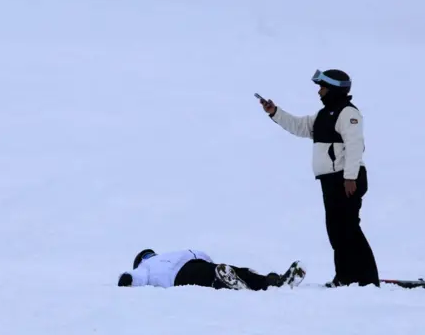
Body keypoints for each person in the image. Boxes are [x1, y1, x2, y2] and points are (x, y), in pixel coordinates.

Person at [258, 69, 379, 287]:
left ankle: (367, 279)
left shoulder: (348, 113)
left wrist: (350, 178)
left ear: (334, 90)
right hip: (331, 180)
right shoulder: (324, 115)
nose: (319, 92)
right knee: (337, 231)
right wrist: (275, 112)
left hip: (346, 179)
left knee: (349, 229)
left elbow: (355, 146)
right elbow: (299, 126)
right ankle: (346, 277)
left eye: (322, 88)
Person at [117, 248, 305, 290]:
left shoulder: (167, 255)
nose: (150, 256)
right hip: (178, 276)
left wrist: (206, 260)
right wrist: (127, 278)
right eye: (146, 255)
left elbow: (193, 252)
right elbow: (135, 277)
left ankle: (270, 282)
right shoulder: (145, 266)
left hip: (194, 264)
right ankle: (222, 280)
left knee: (234, 270)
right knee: (206, 275)